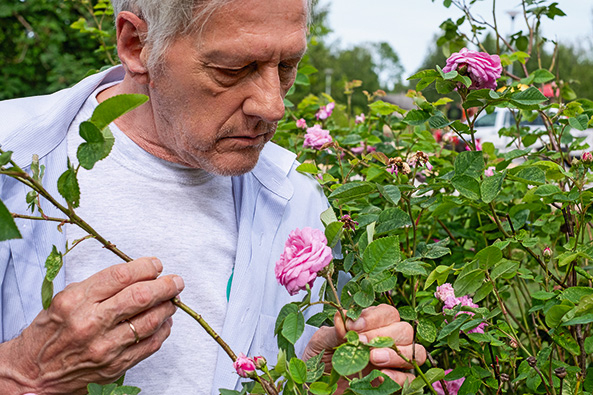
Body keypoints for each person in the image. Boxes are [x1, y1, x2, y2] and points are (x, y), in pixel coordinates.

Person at [0, 0, 426, 393]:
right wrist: (22, 374)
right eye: (232, 69)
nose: (273, 105)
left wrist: (326, 379)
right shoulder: (11, 158)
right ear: (137, 45)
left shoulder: (300, 200)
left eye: (287, 65)